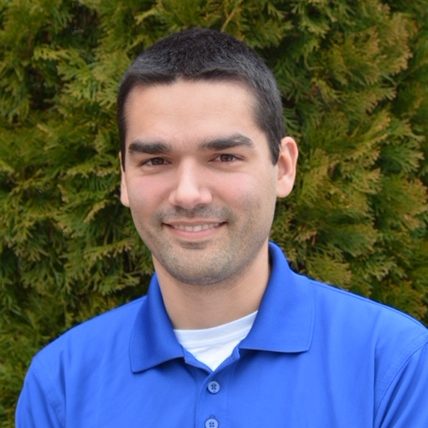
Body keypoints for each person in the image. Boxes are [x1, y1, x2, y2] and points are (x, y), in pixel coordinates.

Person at [16, 28, 427, 428]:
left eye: (225, 157)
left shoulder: (394, 366)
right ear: (123, 178)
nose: (189, 194)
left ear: (283, 167)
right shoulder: (61, 385)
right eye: (156, 161)